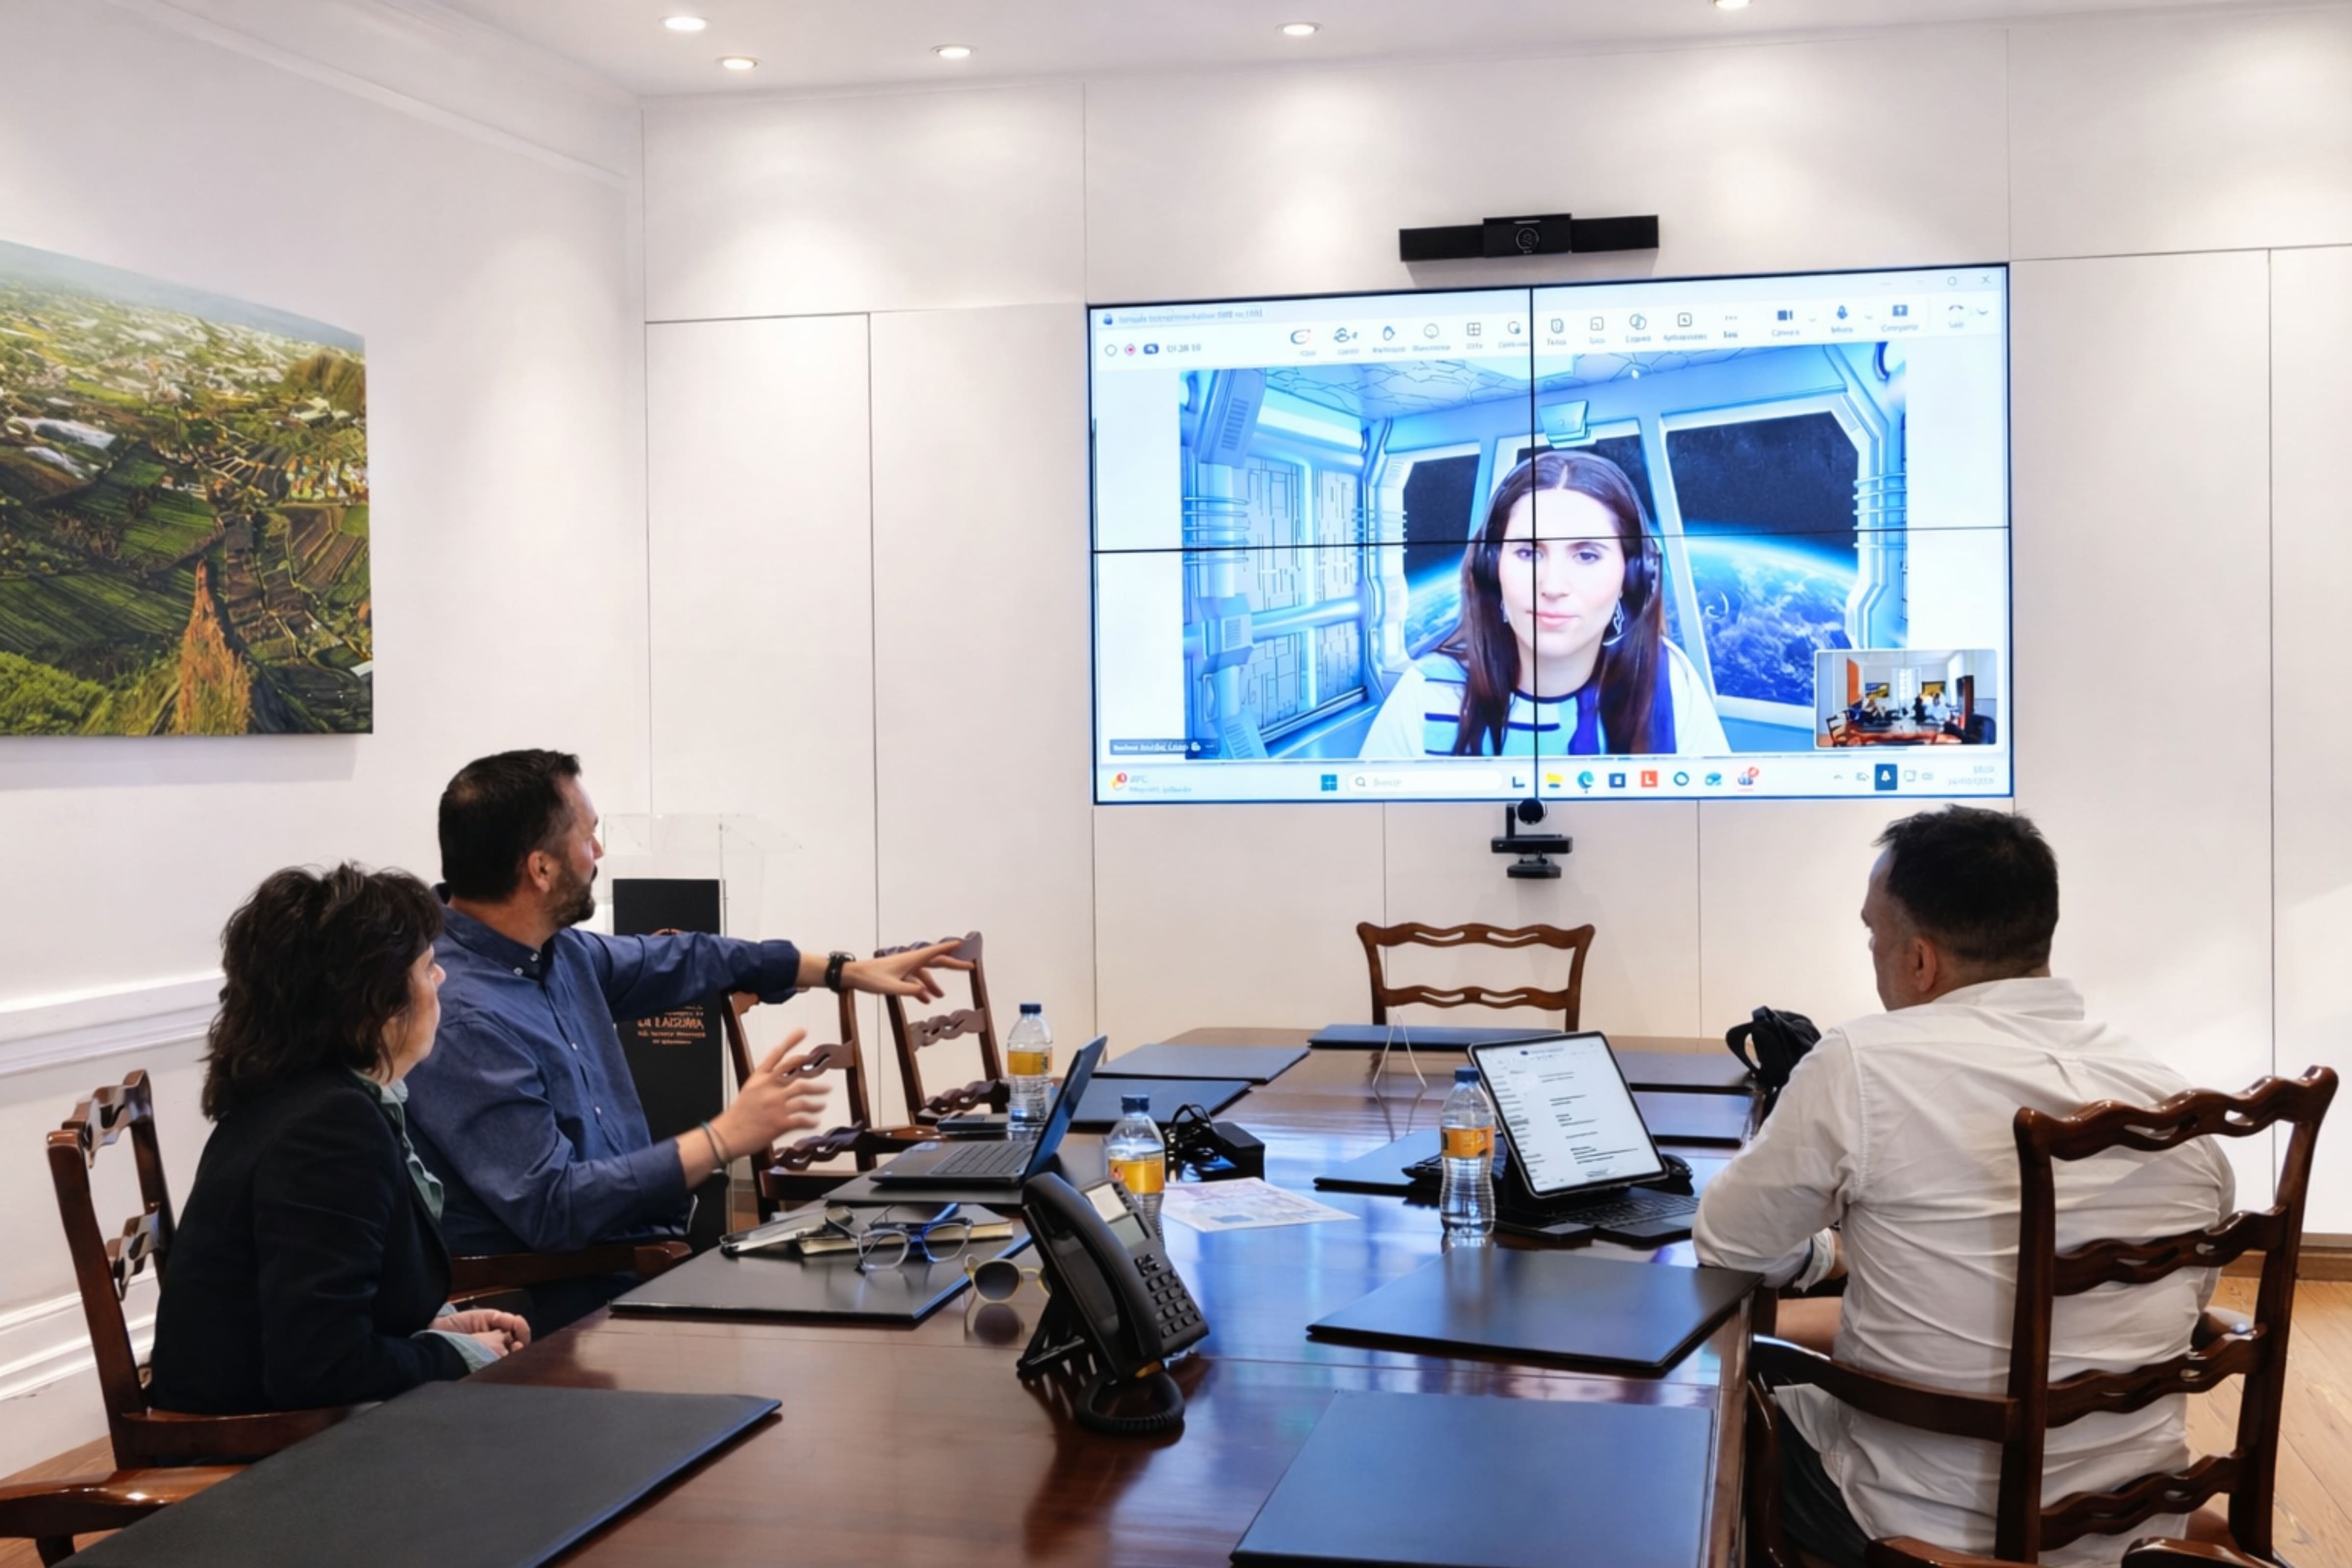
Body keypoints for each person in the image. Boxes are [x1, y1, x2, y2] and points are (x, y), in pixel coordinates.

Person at [1694, 808, 2233, 1568]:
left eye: (1873, 936)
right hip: (2133, 1516)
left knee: (1723, 1411)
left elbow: (1727, 1247)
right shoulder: (2173, 1101)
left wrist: (1827, 1254)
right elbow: (2191, 1300)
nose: (1873, 954)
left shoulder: (1863, 1063)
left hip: (1918, 1521)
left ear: (1920, 961)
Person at [402, 749, 971, 1331]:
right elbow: (556, 1206)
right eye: (590, 836)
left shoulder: (558, 952)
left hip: (631, 1261)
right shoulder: (462, 1014)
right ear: (541, 869)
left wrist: (840, 971)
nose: (598, 852)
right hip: (559, 1303)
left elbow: (690, 957)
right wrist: (724, 1137)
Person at [148, 865, 531, 1416]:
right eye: (427, 968)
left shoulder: (294, 1096)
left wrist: (433, 1330)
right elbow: (320, 1369)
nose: (440, 980)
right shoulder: (330, 1130)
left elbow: (315, 1319)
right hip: (260, 1457)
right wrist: (453, 1356)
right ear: (374, 1006)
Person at [1357, 450, 1729, 760]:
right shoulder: (1425, 693)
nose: (1552, 586)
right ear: (1492, 569)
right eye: (1528, 553)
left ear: (1630, 577)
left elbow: (1716, 831)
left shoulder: (1667, 681)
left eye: (1586, 555)